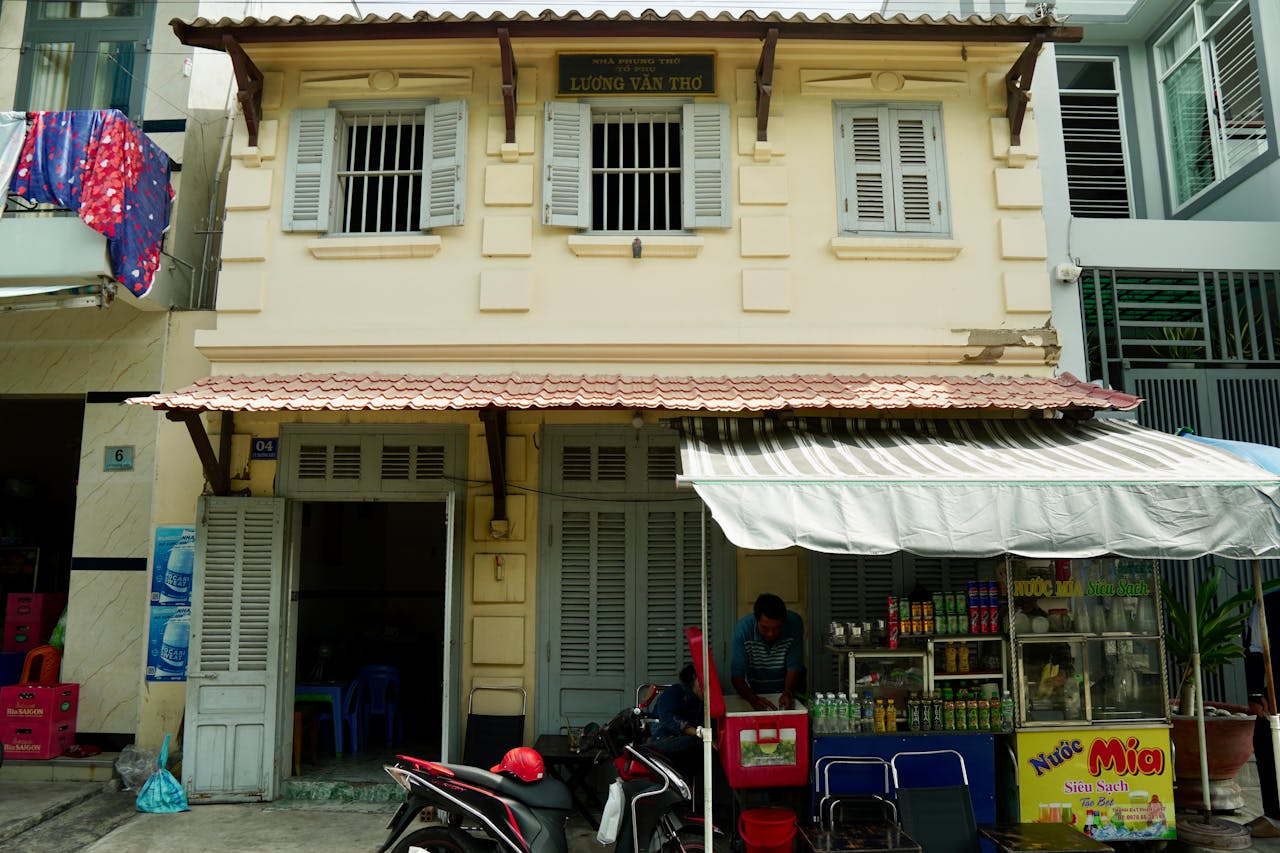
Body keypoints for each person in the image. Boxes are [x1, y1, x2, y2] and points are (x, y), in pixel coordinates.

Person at [731, 593, 804, 711]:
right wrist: (753, 699)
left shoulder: (794, 623)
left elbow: (794, 666)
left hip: (789, 690)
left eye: (777, 628)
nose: (771, 634)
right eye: (765, 628)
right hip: (755, 692)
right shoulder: (743, 630)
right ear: (756, 620)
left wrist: (788, 692)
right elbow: (736, 676)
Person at [1246, 592, 1280, 837]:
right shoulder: (1266, 603)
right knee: (1268, 745)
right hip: (1275, 690)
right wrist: (1257, 693)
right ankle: (1275, 816)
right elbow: (1256, 649)